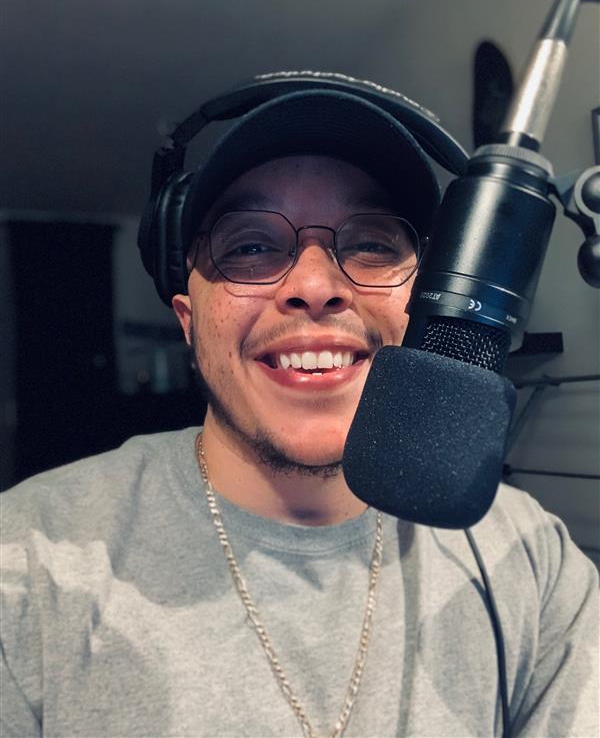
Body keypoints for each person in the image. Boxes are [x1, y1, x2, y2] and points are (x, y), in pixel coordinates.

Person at [1, 77, 598, 738]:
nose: (315, 286)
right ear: (189, 322)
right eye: (251, 247)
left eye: (372, 243)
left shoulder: (529, 558)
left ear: (428, 303)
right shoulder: (26, 560)